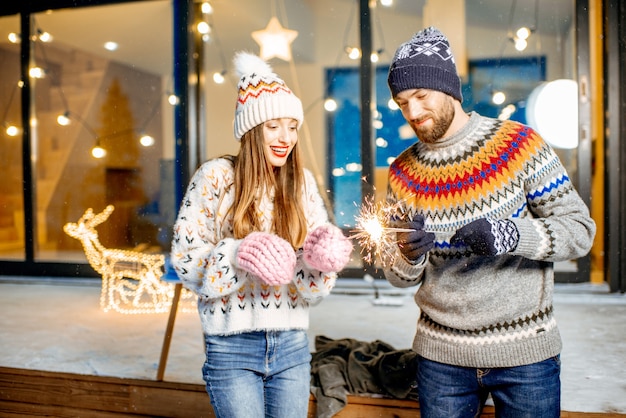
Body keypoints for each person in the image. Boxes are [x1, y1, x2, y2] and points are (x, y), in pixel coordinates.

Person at [382, 27, 596, 418]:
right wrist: (406, 255)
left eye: (420, 97)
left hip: (525, 353)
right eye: (401, 103)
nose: (412, 112)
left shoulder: (519, 145)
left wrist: (510, 233)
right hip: (440, 357)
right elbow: (396, 275)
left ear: (448, 89)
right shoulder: (401, 172)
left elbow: (579, 231)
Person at [170, 51, 353, 418]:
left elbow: (311, 286)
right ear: (252, 130)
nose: (286, 137)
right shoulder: (215, 177)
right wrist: (237, 253)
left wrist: (321, 258)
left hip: (291, 344)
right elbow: (185, 258)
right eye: (273, 126)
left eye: (292, 126)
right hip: (230, 347)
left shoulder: (300, 184)